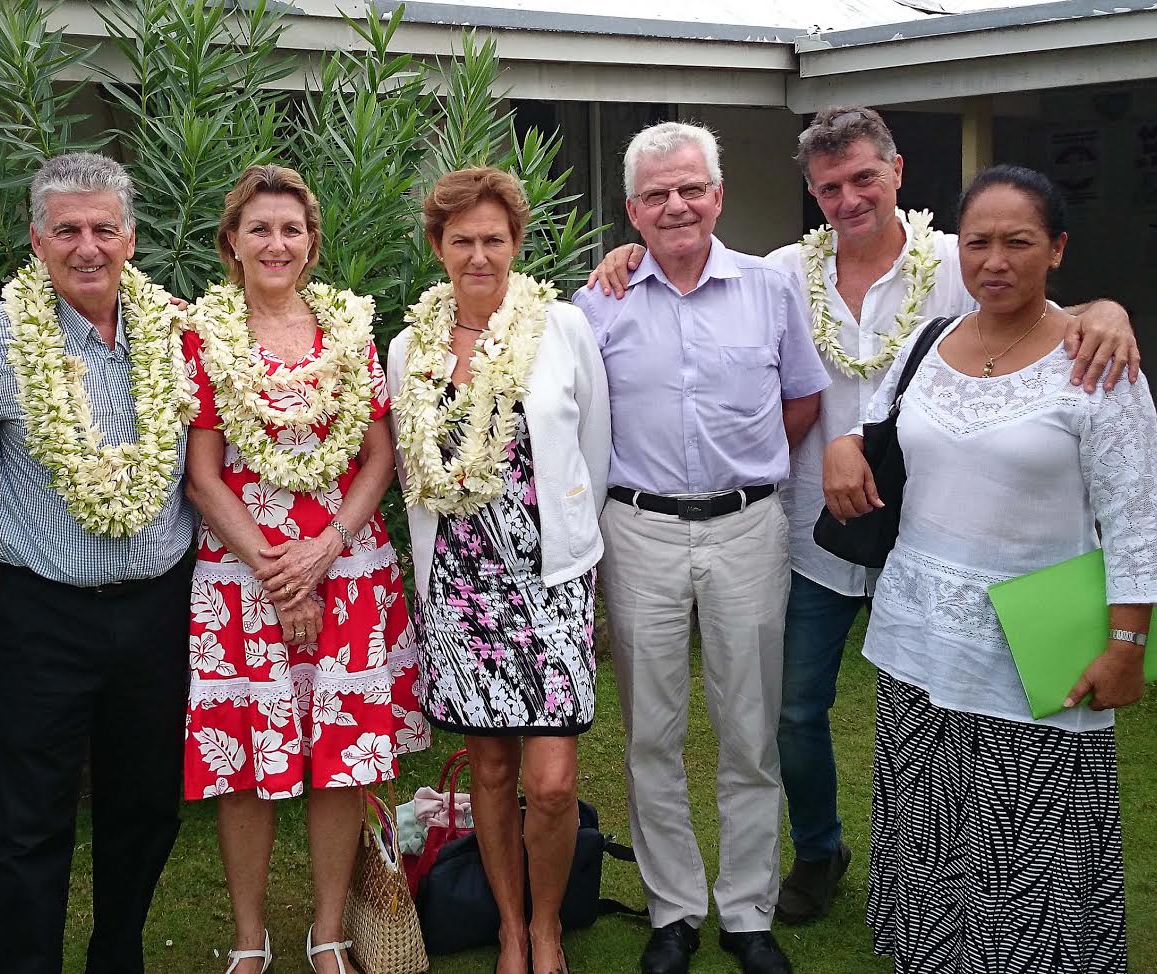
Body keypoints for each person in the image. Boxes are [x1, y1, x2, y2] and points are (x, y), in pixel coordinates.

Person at [586, 106, 1139, 925]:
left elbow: (1026, 270)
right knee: (793, 711)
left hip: (937, 533)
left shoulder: (957, 257)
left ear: (897, 173)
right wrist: (625, 257)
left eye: (863, 179)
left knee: (964, 708)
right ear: (811, 194)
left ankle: (988, 883)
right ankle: (817, 855)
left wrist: (1108, 309)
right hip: (816, 531)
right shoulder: (780, 270)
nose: (848, 199)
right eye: (830, 186)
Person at [822, 164, 1157, 974]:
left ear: (1056, 249)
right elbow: (872, 419)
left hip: (1036, 643)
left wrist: (1128, 644)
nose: (996, 260)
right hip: (916, 635)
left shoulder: (1098, 362)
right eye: (978, 242)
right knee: (927, 822)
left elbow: (1134, 517)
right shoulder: (928, 342)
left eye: (1019, 242)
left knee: (1031, 843)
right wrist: (843, 443)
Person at [572, 122, 831, 974]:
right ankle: (674, 910)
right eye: (657, 194)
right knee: (652, 730)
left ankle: (747, 913)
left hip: (747, 527)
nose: (676, 205)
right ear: (633, 210)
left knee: (748, 728)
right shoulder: (595, 303)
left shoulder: (769, 289)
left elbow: (799, 402)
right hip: (637, 528)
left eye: (691, 189)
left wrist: (743, 474)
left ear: (717, 196)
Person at [180, 164, 428, 974]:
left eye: (291, 229)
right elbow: (203, 473)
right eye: (260, 229)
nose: (276, 243)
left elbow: (380, 454)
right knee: (243, 765)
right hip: (242, 576)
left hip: (348, 568)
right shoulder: (203, 338)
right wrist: (275, 569)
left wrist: (324, 549)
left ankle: (329, 933)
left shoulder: (350, 333)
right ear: (232, 244)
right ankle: (249, 940)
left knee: (343, 757)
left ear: (312, 244)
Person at [0, 152, 196, 974]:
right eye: (67, 229)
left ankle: (117, 957)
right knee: (26, 818)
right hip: (42, 615)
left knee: (144, 808)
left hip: (156, 606)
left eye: (104, 227)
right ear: (37, 239)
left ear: (131, 237)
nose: (87, 245)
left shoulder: (176, 332)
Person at [389, 167, 612, 974]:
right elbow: (412, 468)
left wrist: (575, 547)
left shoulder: (562, 328)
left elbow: (595, 446)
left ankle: (548, 924)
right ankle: (511, 929)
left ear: (517, 244)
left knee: (550, 782)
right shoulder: (408, 345)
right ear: (437, 248)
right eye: (461, 241)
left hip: (550, 580)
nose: (478, 255)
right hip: (460, 581)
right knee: (489, 765)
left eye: (494, 239)